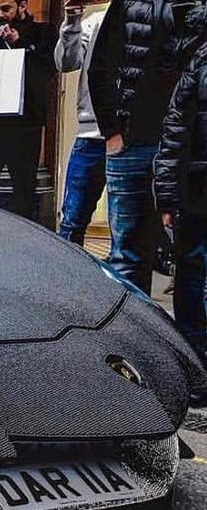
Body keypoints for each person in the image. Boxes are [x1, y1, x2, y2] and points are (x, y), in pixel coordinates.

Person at [89, 0, 188, 294]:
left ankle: (184, 339)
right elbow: (100, 67)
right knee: (128, 254)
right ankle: (129, 336)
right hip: (131, 143)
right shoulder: (128, 4)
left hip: (184, 145)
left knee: (190, 255)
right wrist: (112, 132)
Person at [154, 4, 207, 364]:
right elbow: (175, 130)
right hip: (196, 186)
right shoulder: (195, 58)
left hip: (194, 186)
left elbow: (174, 130)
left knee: (191, 272)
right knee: (191, 272)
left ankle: (195, 363)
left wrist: (168, 195)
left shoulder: (194, 57)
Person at [0, 0, 57, 219]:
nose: (1, 15)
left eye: (6, 9)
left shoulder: (43, 32)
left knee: (24, 187)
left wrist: (21, 43)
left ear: (22, 6)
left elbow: (47, 70)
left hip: (25, 123)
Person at [54, 0, 106, 245]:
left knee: (130, 228)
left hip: (136, 137)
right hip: (91, 134)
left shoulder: (155, 19)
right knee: (72, 221)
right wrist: (72, 19)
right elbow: (65, 63)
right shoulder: (94, 21)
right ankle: (64, 278)